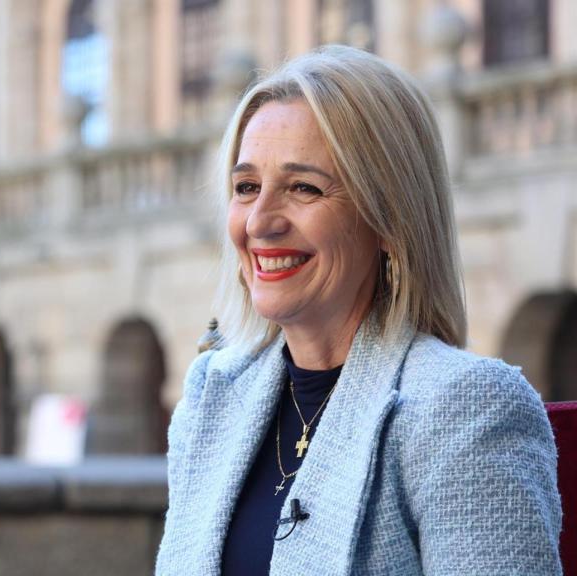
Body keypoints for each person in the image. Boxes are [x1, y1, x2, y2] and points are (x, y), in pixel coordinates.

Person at [155, 45, 562, 575]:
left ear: (389, 218)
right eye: (247, 187)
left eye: (303, 188)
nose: (258, 222)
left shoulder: (466, 407)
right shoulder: (211, 394)